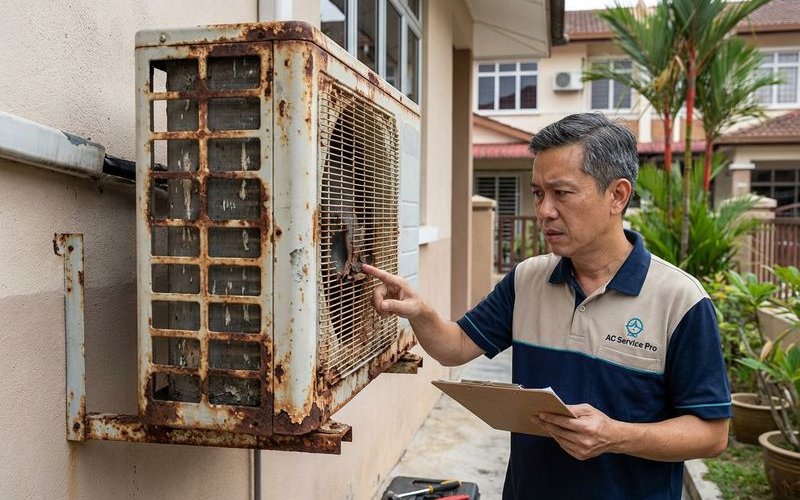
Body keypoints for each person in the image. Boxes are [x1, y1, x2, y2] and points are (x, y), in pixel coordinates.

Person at [362, 112, 730, 499]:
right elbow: (454, 348)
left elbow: (711, 434)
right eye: (538, 193)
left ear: (617, 196)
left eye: (562, 193)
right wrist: (421, 312)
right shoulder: (528, 280)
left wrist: (616, 436)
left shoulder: (681, 300)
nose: (544, 211)